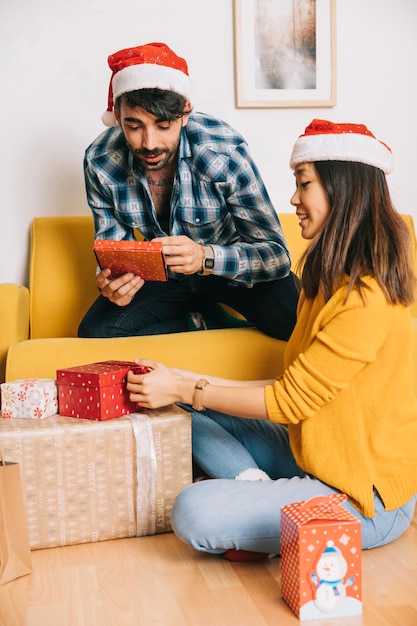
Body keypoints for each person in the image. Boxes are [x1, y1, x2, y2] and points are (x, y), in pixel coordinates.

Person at [126, 118, 417, 561]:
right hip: (313, 458)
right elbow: (291, 390)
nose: (294, 199)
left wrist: (189, 385)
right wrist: (185, 383)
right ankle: (256, 491)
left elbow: (286, 402)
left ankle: (254, 509)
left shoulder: (369, 298)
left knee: (193, 511)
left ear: (344, 190)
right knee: (180, 407)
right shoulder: (327, 280)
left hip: (365, 500)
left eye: (304, 184)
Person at [78, 42, 299, 339]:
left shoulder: (224, 152)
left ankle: (215, 312)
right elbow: (114, 251)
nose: (149, 143)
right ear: (117, 117)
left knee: (300, 326)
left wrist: (204, 257)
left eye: (163, 125)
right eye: (134, 126)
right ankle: (201, 321)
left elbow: (277, 256)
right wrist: (113, 284)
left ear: (184, 114)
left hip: (231, 270)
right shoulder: (101, 161)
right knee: (95, 333)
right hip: (164, 278)